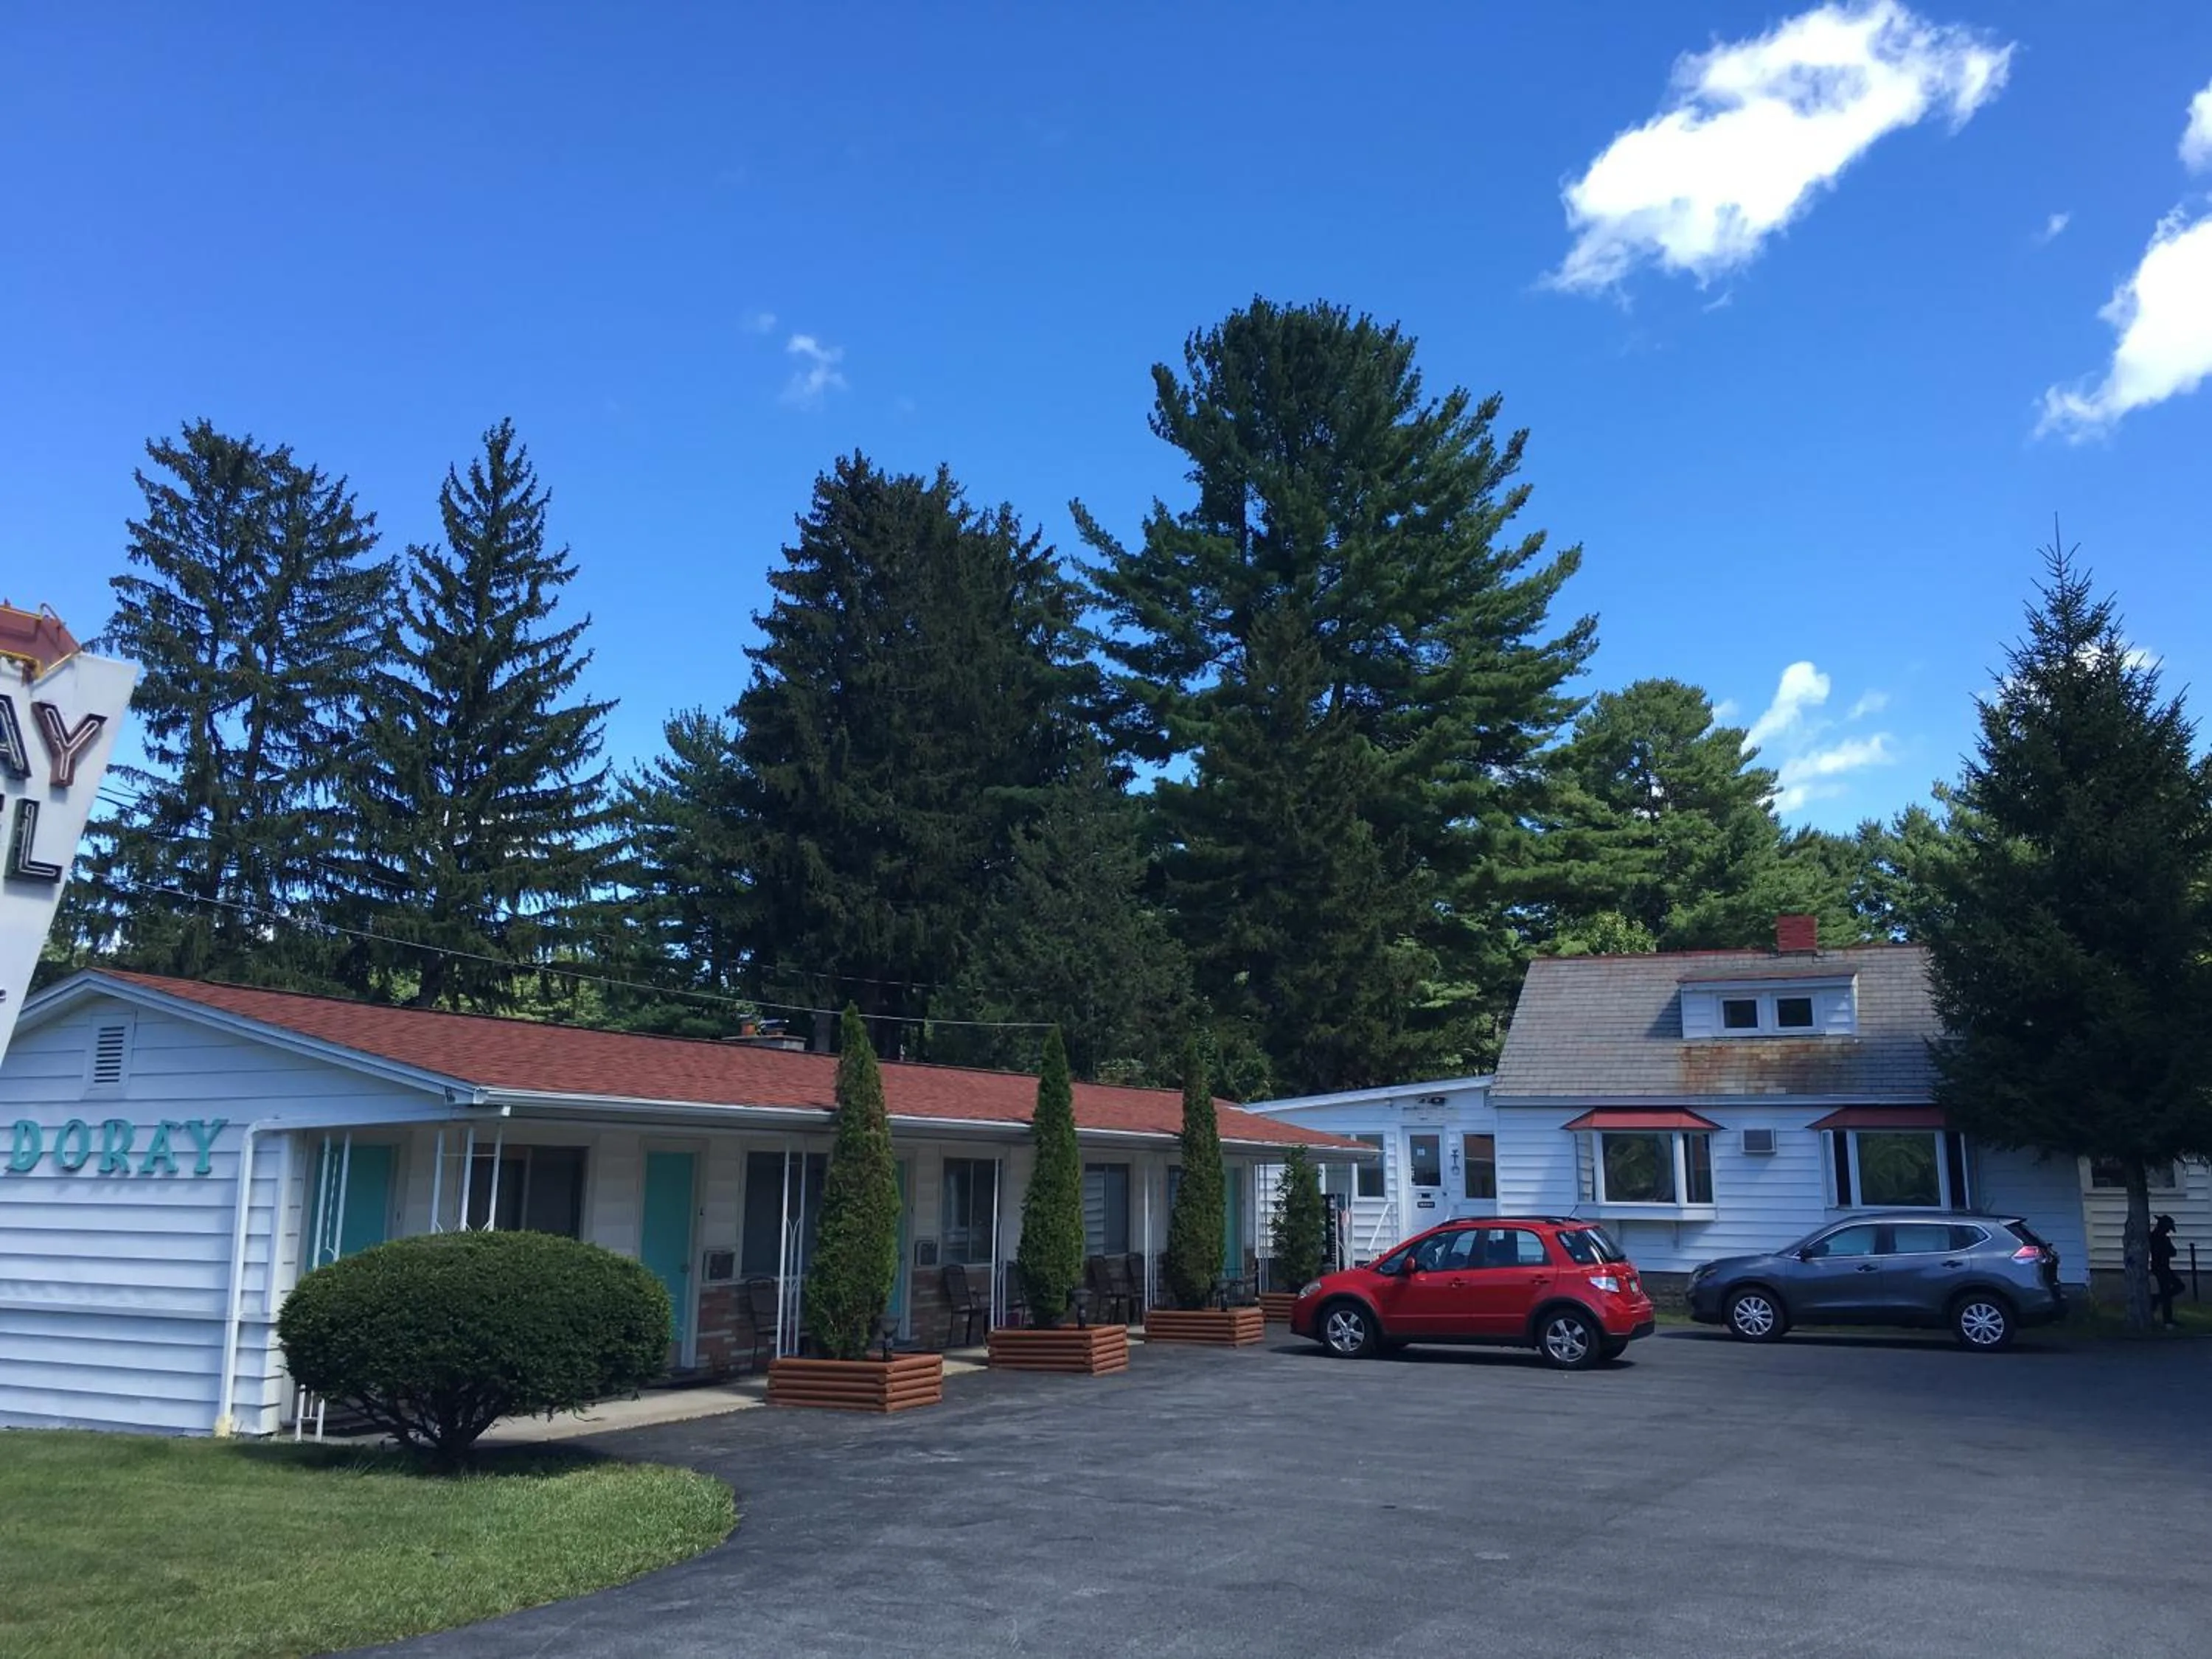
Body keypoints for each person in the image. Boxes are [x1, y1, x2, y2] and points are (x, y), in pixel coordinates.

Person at [2149, 1214, 2184, 1329]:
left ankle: (2156, 1299)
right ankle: (2167, 1320)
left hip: (2163, 1267)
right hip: (2160, 1268)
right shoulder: (2157, 1238)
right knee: (2168, 1292)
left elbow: (2173, 1252)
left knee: (2177, 1287)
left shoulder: (2158, 1237)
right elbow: (2171, 1252)